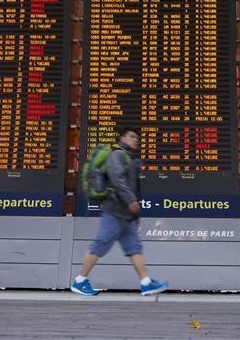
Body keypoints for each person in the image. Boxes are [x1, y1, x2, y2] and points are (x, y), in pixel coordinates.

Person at [71, 127, 168, 296]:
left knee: (134, 247)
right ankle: (80, 281)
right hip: (114, 211)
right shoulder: (117, 155)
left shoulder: (128, 158)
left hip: (125, 215)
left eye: (137, 138)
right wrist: (131, 200)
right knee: (100, 244)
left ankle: (145, 283)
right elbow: (117, 179)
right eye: (131, 136)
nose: (135, 139)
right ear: (121, 138)